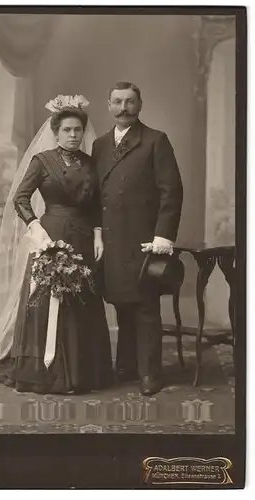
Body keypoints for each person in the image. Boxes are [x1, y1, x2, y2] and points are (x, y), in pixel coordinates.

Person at [0, 95, 113, 395]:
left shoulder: (90, 163)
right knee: (48, 299)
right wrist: (35, 227)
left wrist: (98, 234)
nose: (73, 135)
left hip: (83, 238)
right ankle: (47, 373)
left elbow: (96, 203)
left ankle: (83, 373)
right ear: (56, 132)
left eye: (78, 130)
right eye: (67, 130)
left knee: (81, 300)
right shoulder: (42, 161)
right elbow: (20, 198)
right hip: (50, 238)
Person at [92, 82, 183, 396]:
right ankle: (126, 366)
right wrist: (97, 233)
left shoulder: (155, 141)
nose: (123, 108)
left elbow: (171, 192)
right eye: (117, 102)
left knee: (145, 308)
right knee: (121, 304)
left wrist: (163, 237)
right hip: (112, 240)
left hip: (143, 241)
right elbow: (96, 196)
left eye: (130, 102)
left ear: (140, 105)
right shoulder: (100, 145)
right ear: (108, 105)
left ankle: (149, 374)